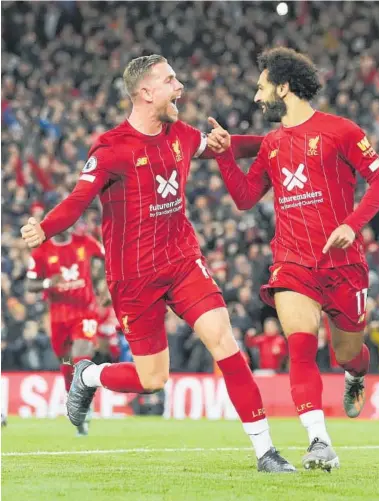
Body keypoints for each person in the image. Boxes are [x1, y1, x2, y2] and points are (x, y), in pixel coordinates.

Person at [21, 54, 295, 473]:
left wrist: (278, 140)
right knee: (152, 379)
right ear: (146, 92)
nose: (179, 86)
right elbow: (79, 199)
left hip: (182, 260)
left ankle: (265, 452)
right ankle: (88, 377)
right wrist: (44, 226)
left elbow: (225, 145)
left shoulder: (181, 134)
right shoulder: (111, 149)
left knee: (224, 341)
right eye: (170, 80)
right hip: (133, 277)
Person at [207, 46, 379, 471]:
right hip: (292, 262)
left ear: (284, 87)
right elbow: (244, 198)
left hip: (344, 265)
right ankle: (319, 441)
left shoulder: (341, 130)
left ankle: (356, 374)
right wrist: (222, 155)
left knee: (348, 353)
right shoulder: (271, 145)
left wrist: (352, 224)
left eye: (261, 87)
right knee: (301, 348)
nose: (257, 97)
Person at [26, 229, 104, 436]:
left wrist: (105, 284)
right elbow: (29, 283)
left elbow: (107, 258)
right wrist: (48, 283)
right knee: (67, 364)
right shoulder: (42, 251)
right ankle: (75, 401)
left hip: (85, 311)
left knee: (80, 354)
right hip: (59, 318)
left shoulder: (84, 241)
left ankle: (84, 401)